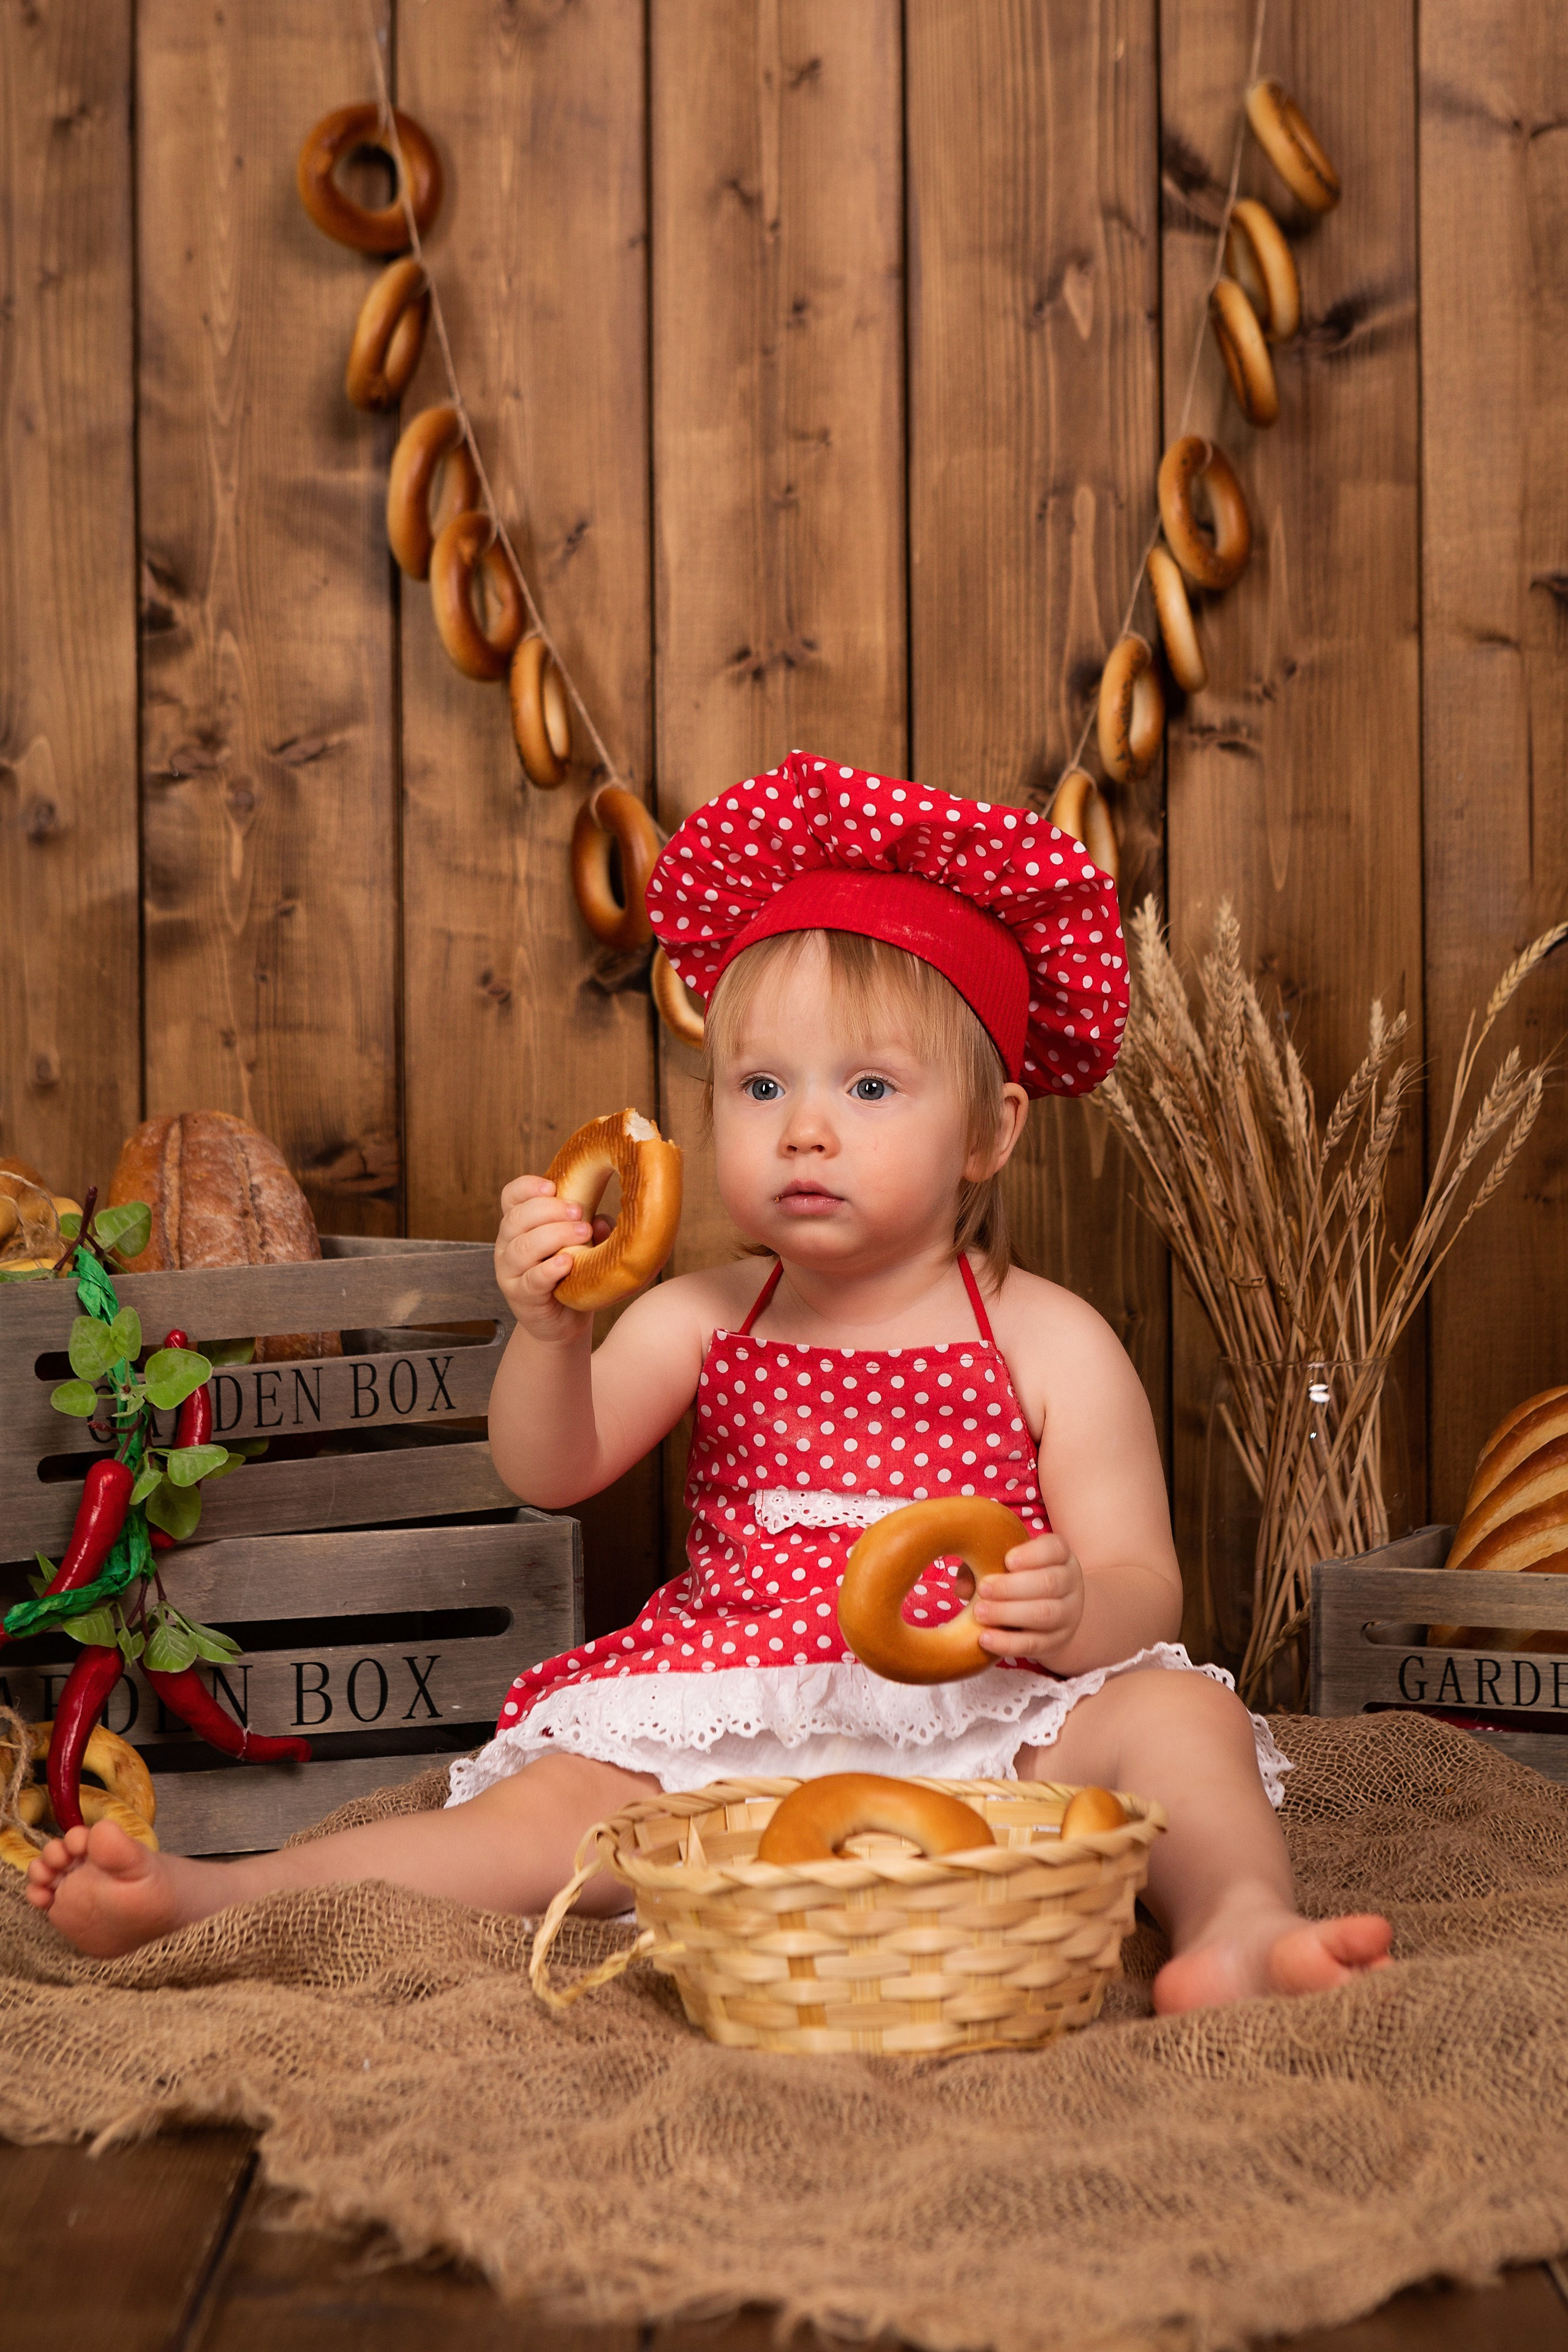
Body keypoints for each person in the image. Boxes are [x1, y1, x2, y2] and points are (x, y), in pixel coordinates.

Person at [24, 753, 1392, 2010]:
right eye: (759, 1087)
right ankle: (227, 1897)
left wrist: (1078, 1609)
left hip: (989, 1723)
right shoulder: (702, 1313)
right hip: (730, 1711)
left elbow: (1146, 1583)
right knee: (540, 1820)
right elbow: (547, 1469)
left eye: (869, 1090)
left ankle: (1236, 1924)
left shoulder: (1049, 1340)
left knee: (1180, 1715)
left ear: (990, 1131)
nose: (804, 1131)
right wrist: (548, 1333)